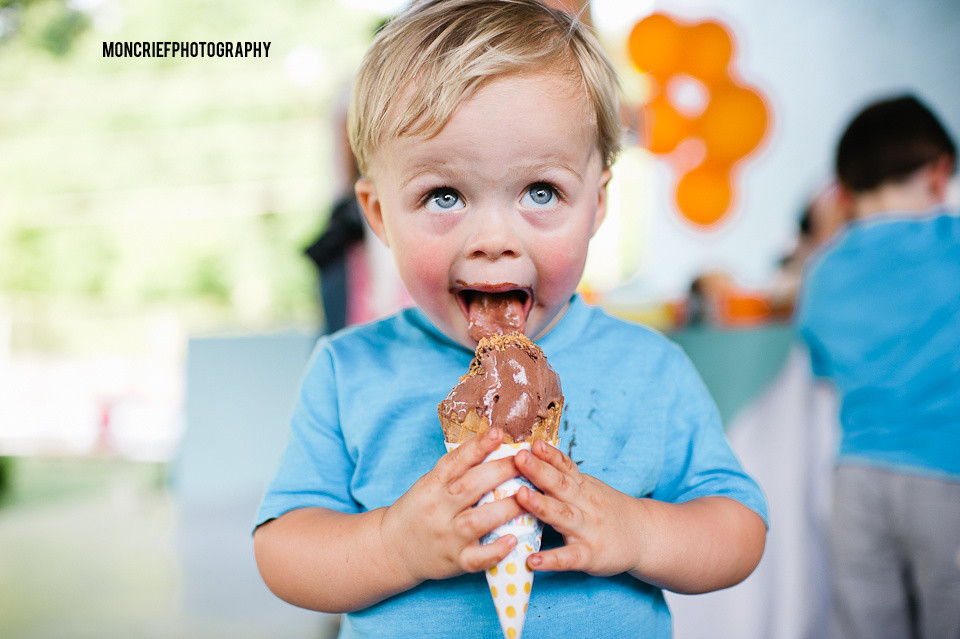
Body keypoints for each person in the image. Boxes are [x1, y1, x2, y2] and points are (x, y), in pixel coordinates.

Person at [253, 1, 767, 637]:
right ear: (379, 214)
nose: (493, 239)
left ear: (597, 203)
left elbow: (739, 530)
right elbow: (283, 550)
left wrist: (639, 531)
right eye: (444, 196)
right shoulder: (347, 370)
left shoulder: (650, 367)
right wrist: (393, 545)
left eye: (540, 192)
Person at [795, 94, 960, 639]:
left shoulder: (822, 271)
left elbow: (823, 371)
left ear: (844, 188)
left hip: (856, 481)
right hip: (946, 474)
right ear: (939, 171)